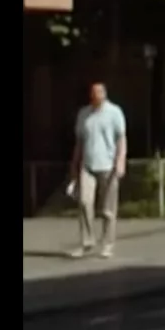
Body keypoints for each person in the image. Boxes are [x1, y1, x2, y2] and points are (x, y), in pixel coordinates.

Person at [68, 82, 127, 259]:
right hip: (88, 165)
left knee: (108, 209)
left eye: (100, 92)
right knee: (84, 202)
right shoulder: (84, 114)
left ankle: (107, 244)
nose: (97, 96)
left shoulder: (114, 112)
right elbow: (79, 143)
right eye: (94, 93)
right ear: (90, 95)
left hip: (108, 165)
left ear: (105, 94)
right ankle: (87, 242)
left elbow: (121, 139)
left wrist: (120, 161)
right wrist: (74, 164)